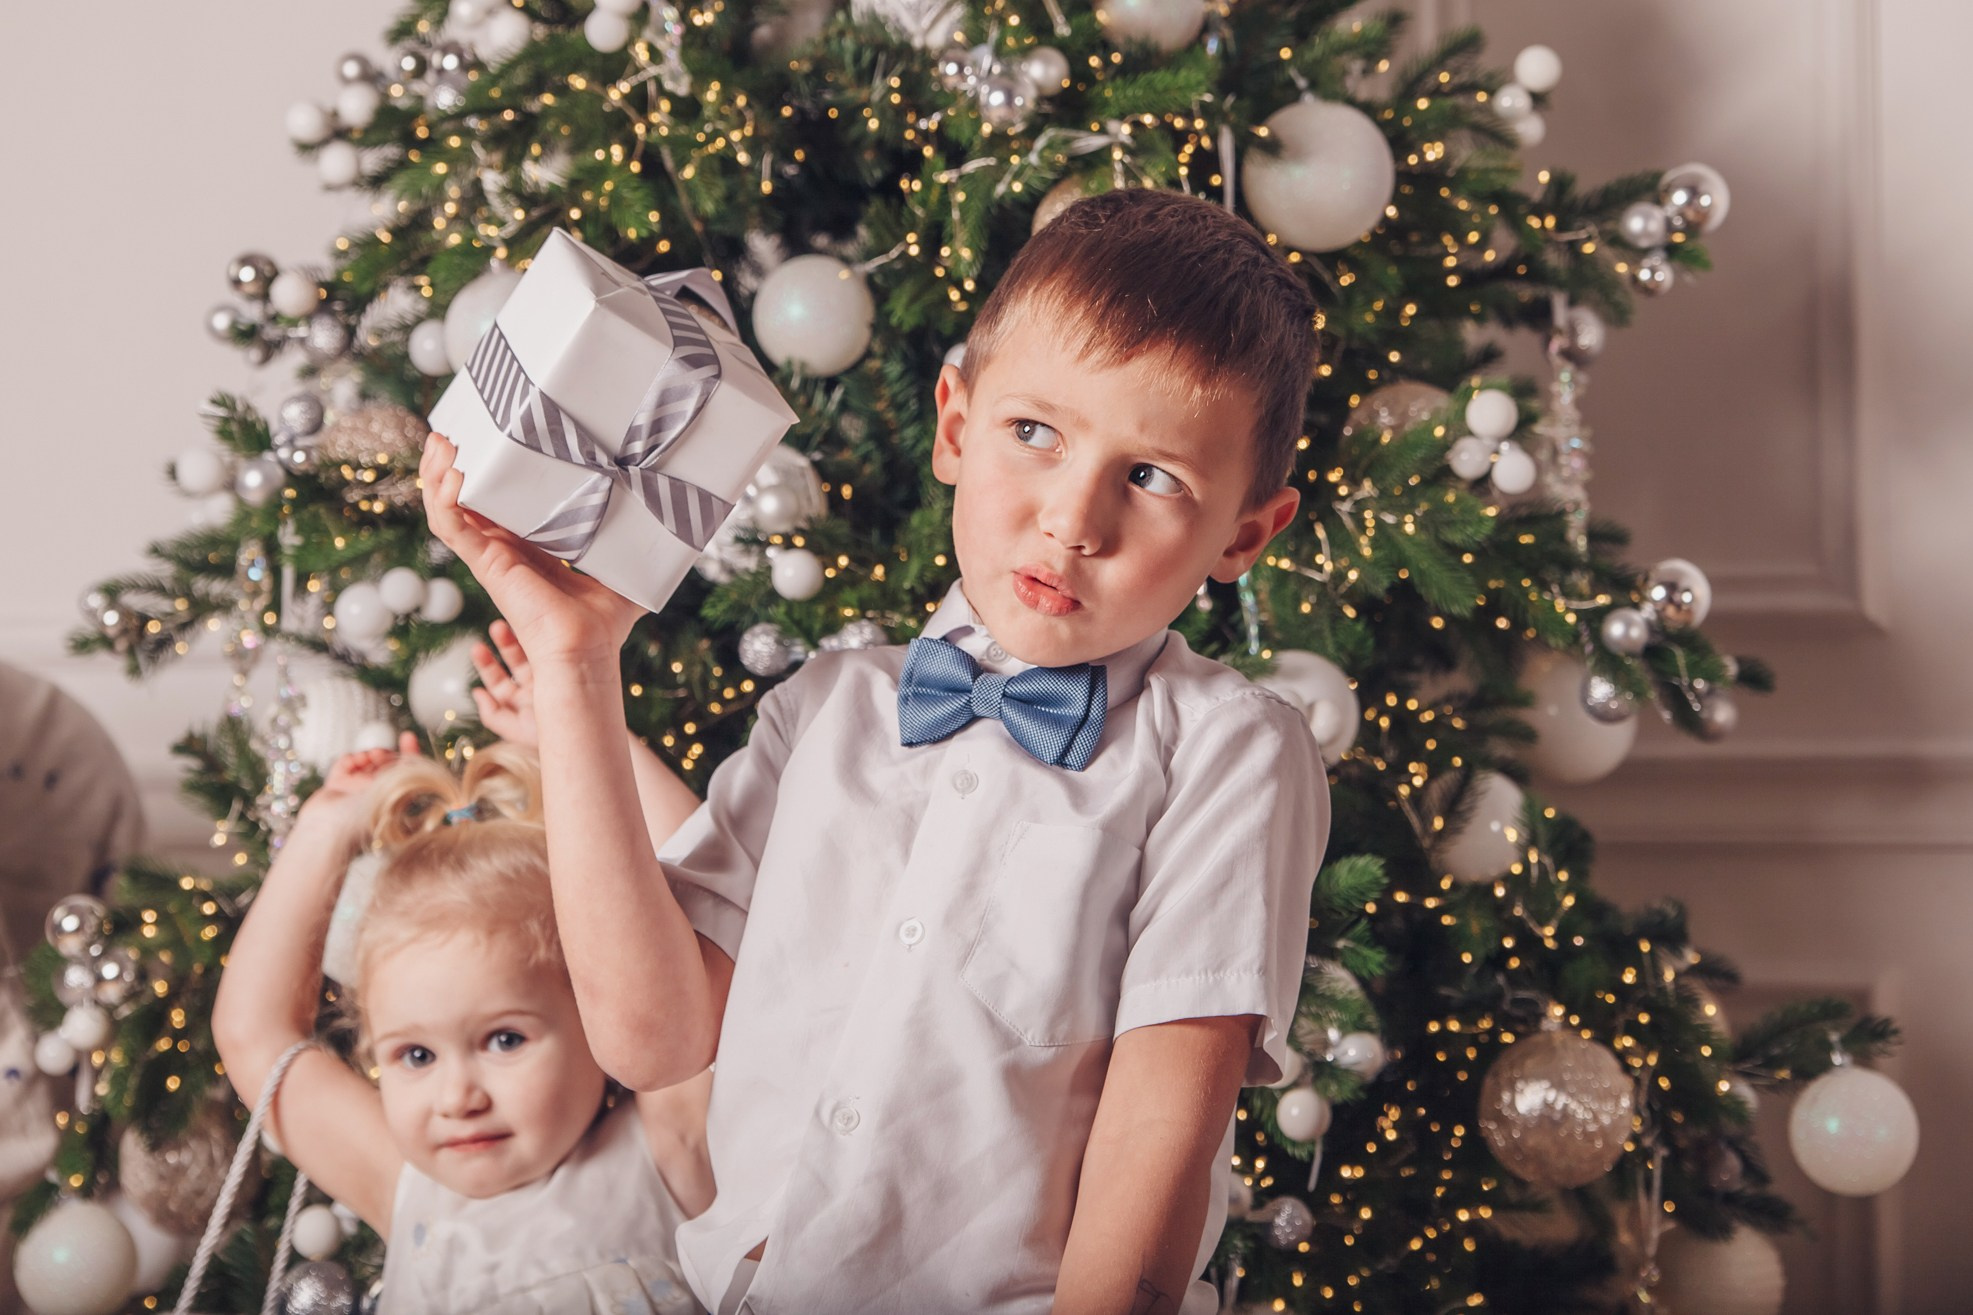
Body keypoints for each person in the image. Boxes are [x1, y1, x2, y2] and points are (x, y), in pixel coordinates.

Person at [421, 187, 1330, 1314]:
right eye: (1033, 432)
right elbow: (651, 1039)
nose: (1070, 519)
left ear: (1243, 531)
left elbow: (1158, 1142)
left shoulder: (1229, 753)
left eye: (1150, 477)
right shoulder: (827, 706)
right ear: (955, 424)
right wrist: (573, 664)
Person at [211, 733, 711, 1315]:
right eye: (416, 1056)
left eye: (505, 1040)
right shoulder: (407, 1190)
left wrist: (590, 734)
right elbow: (254, 1035)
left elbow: (708, 930)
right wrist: (326, 827)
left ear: (601, 1016)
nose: (457, 1098)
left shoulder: (668, 1153)